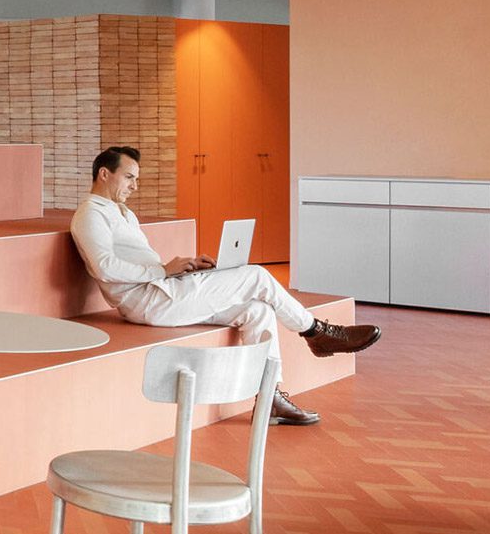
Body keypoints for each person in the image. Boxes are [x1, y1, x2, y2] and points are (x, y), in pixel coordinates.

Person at [70, 145, 380, 426]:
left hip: (164, 289)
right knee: (256, 275)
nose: (134, 187)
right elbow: (104, 267)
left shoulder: (124, 213)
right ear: (104, 173)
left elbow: (140, 264)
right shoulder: (90, 214)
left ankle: (270, 397)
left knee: (257, 310)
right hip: (148, 302)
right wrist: (163, 269)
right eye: (128, 178)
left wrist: (183, 267)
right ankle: (316, 332)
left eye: (136, 179)